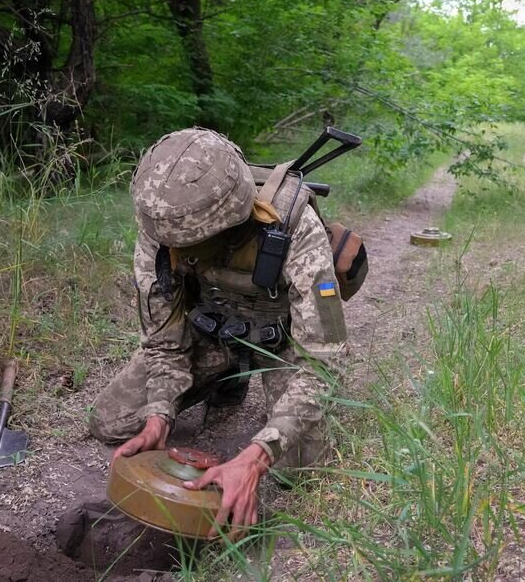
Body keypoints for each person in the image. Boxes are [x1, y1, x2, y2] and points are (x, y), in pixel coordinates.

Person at [89, 127, 346, 536]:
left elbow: (322, 361)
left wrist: (258, 455)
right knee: (112, 420)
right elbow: (163, 342)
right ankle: (226, 379)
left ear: (229, 224)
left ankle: (242, 381)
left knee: (298, 468)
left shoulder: (296, 227)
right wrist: (159, 413)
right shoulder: (161, 230)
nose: (175, 251)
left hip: (280, 344)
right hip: (211, 333)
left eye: (191, 244)